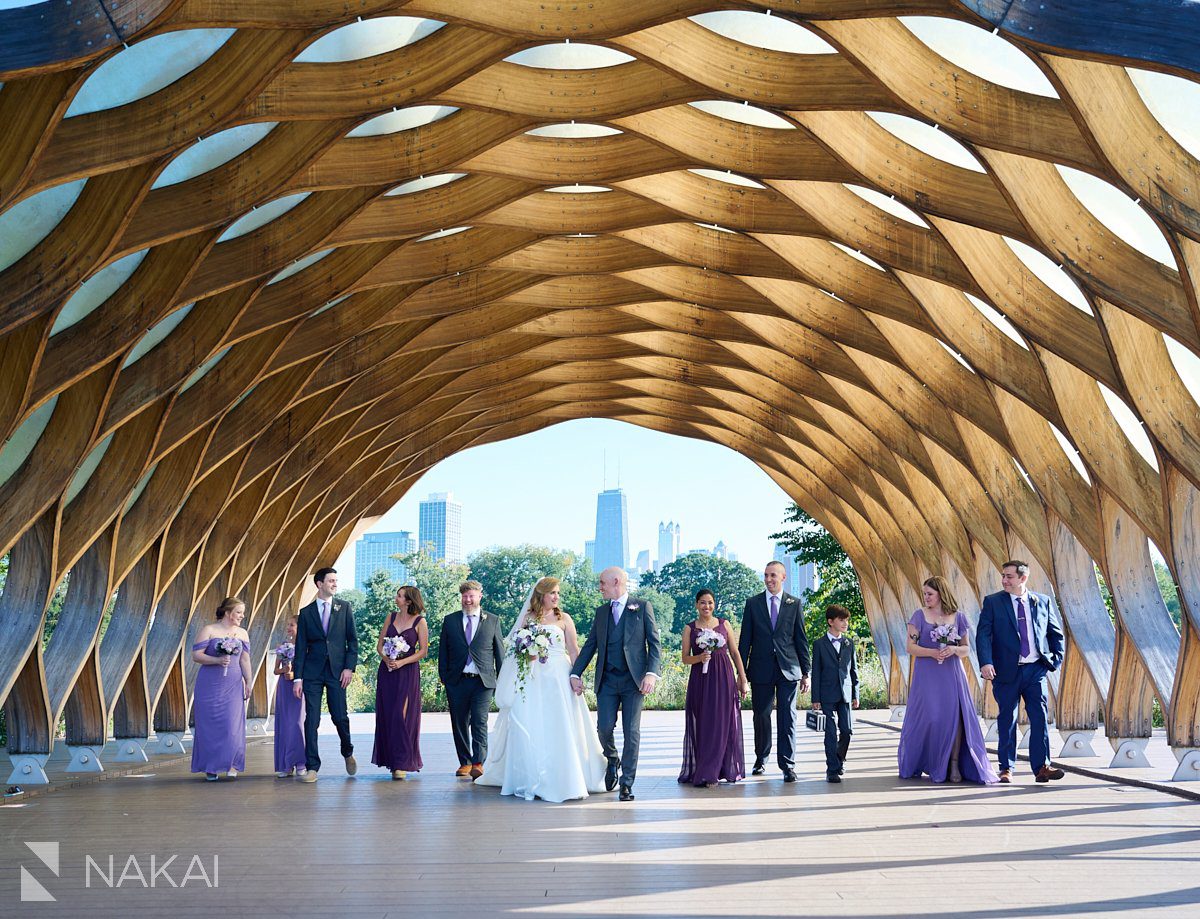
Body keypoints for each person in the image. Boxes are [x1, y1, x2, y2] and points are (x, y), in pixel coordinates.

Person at [477, 577, 608, 802]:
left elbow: (574, 650)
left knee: (561, 723)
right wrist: (528, 653)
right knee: (532, 722)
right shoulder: (528, 619)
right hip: (533, 677)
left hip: (559, 676)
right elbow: (514, 650)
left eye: (558, 593)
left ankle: (566, 777)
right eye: (552, 593)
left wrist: (577, 676)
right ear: (542, 595)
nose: (556, 597)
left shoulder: (564, 619)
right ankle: (531, 776)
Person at [570, 566, 662, 802]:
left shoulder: (642, 607)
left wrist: (651, 673)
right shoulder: (601, 612)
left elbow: (654, 644)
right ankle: (612, 758)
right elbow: (591, 645)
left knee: (631, 732)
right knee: (603, 727)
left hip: (634, 681)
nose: (599, 587)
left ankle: (627, 783)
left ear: (616, 581)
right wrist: (575, 673)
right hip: (608, 679)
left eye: (602, 583)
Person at [897, 576, 997, 784]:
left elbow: (967, 649)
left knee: (955, 717)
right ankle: (932, 762)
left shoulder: (958, 617)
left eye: (930, 594)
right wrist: (933, 653)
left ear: (941, 593)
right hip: (927, 674)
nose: (926, 597)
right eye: (924, 593)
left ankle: (952, 763)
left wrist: (953, 649)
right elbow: (910, 647)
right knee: (932, 718)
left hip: (952, 673)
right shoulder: (919, 616)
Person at [977, 560, 1066, 784]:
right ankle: (1006, 768)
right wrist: (986, 662)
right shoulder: (993, 602)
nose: (1004, 580)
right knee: (1007, 718)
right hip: (1005, 671)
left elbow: (1056, 633)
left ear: (1023, 578)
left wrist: (1055, 659)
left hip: (1036, 670)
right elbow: (983, 635)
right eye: (1003, 576)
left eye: (1009, 576)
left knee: (1039, 717)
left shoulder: (1042, 601)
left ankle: (1042, 767)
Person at [738, 561, 810, 782]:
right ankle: (761, 758)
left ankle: (788, 765)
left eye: (773, 576)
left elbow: (801, 639)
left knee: (787, 717)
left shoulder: (794, 604)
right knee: (761, 716)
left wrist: (806, 672)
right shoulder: (753, 604)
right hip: (760, 670)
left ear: (783, 577)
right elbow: (744, 641)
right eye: (766, 576)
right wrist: (741, 676)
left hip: (789, 669)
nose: (769, 579)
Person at [292, 567, 359, 784]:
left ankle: (347, 752)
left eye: (336, 580)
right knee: (311, 720)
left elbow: (353, 642)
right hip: (312, 674)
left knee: (340, 716)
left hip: (338, 672)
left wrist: (349, 667)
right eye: (331, 580)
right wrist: (298, 678)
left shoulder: (345, 608)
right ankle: (312, 767)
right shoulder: (306, 612)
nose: (335, 584)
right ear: (319, 584)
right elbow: (300, 647)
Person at [678, 589, 748, 787]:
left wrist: (742, 679)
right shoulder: (689, 628)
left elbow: (734, 653)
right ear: (696, 605)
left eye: (709, 602)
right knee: (705, 722)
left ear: (714, 604)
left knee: (723, 722)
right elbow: (684, 658)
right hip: (700, 679)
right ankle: (706, 769)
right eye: (702, 602)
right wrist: (699, 658)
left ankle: (717, 770)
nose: (706, 606)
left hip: (723, 677)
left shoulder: (724, 624)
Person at [438, 580, 505, 779]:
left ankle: (478, 762)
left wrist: (502, 680)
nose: (468, 600)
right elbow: (444, 651)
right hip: (456, 681)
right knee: (459, 722)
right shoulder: (450, 620)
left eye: (471, 596)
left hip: (482, 682)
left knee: (479, 721)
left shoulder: (492, 620)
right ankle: (464, 762)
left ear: (479, 596)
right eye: (465, 596)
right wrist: (445, 676)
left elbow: (499, 652)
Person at [372, 585, 429, 780]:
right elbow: (379, 644)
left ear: (409, 601)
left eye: (399, 596)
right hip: (387, 672)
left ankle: (402, 762)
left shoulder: (420, 622)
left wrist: (402, 662)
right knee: (388, 714)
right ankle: (392, 761)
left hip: (407, 673)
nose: (396, 598)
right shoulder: (391, 617)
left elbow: (423, 651)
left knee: (401, 715)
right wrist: (386, 659)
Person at [190, 597, 251, 781]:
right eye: (239, 612)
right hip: (209, 684)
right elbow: (196, 655)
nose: (242, 616)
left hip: (233, 684)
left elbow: (245, 659)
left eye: (242, 612)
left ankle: (232, 764)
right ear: (227, 612)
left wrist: (249, 682)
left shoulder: (242, 633)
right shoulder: (209, 630)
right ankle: (211, 767)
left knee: (232, 725)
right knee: (210, 724)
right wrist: (216, 660)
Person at [810, 604, 859, 783]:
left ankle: (839, 758)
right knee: (830, 733)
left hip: (845, 694)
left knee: (847, 731)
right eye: (841, 620)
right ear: (831, 622)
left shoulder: (849, 643)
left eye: (846, 620)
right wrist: (815, 698)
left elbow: (854, 670)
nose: (845, 623)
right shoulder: (819, 644)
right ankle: (832, 769)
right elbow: (816, 671)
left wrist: (856, 694)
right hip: (827, 694)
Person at [273, 615, 306, 778]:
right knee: (285, 724)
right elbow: (275, 670)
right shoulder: (282, 647)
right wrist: (284, 671)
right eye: (288, 625)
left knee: (298, 724)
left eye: (292, 625)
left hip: (300, 687)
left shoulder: (307, 647)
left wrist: (296, 674)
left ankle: (301, 762)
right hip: (284, 687)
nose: (289, 628)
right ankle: (286, 765)